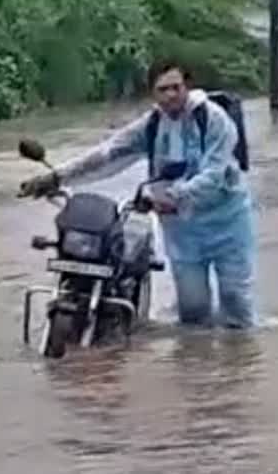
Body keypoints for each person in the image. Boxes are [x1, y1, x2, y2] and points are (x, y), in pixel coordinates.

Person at [19, 60, 258, 329]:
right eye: (162, 89)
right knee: (193, 311)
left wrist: (172, 196)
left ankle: (241, 363)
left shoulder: (213, 120)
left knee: (237, 302)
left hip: (227, 222)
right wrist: (57, 176)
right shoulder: (153, 124)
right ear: (152, 94)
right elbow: (108, 153)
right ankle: (198, 365)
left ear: (187, 87)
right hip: (182, 230)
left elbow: (215, 173)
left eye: (176, 87)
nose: (170, 95)